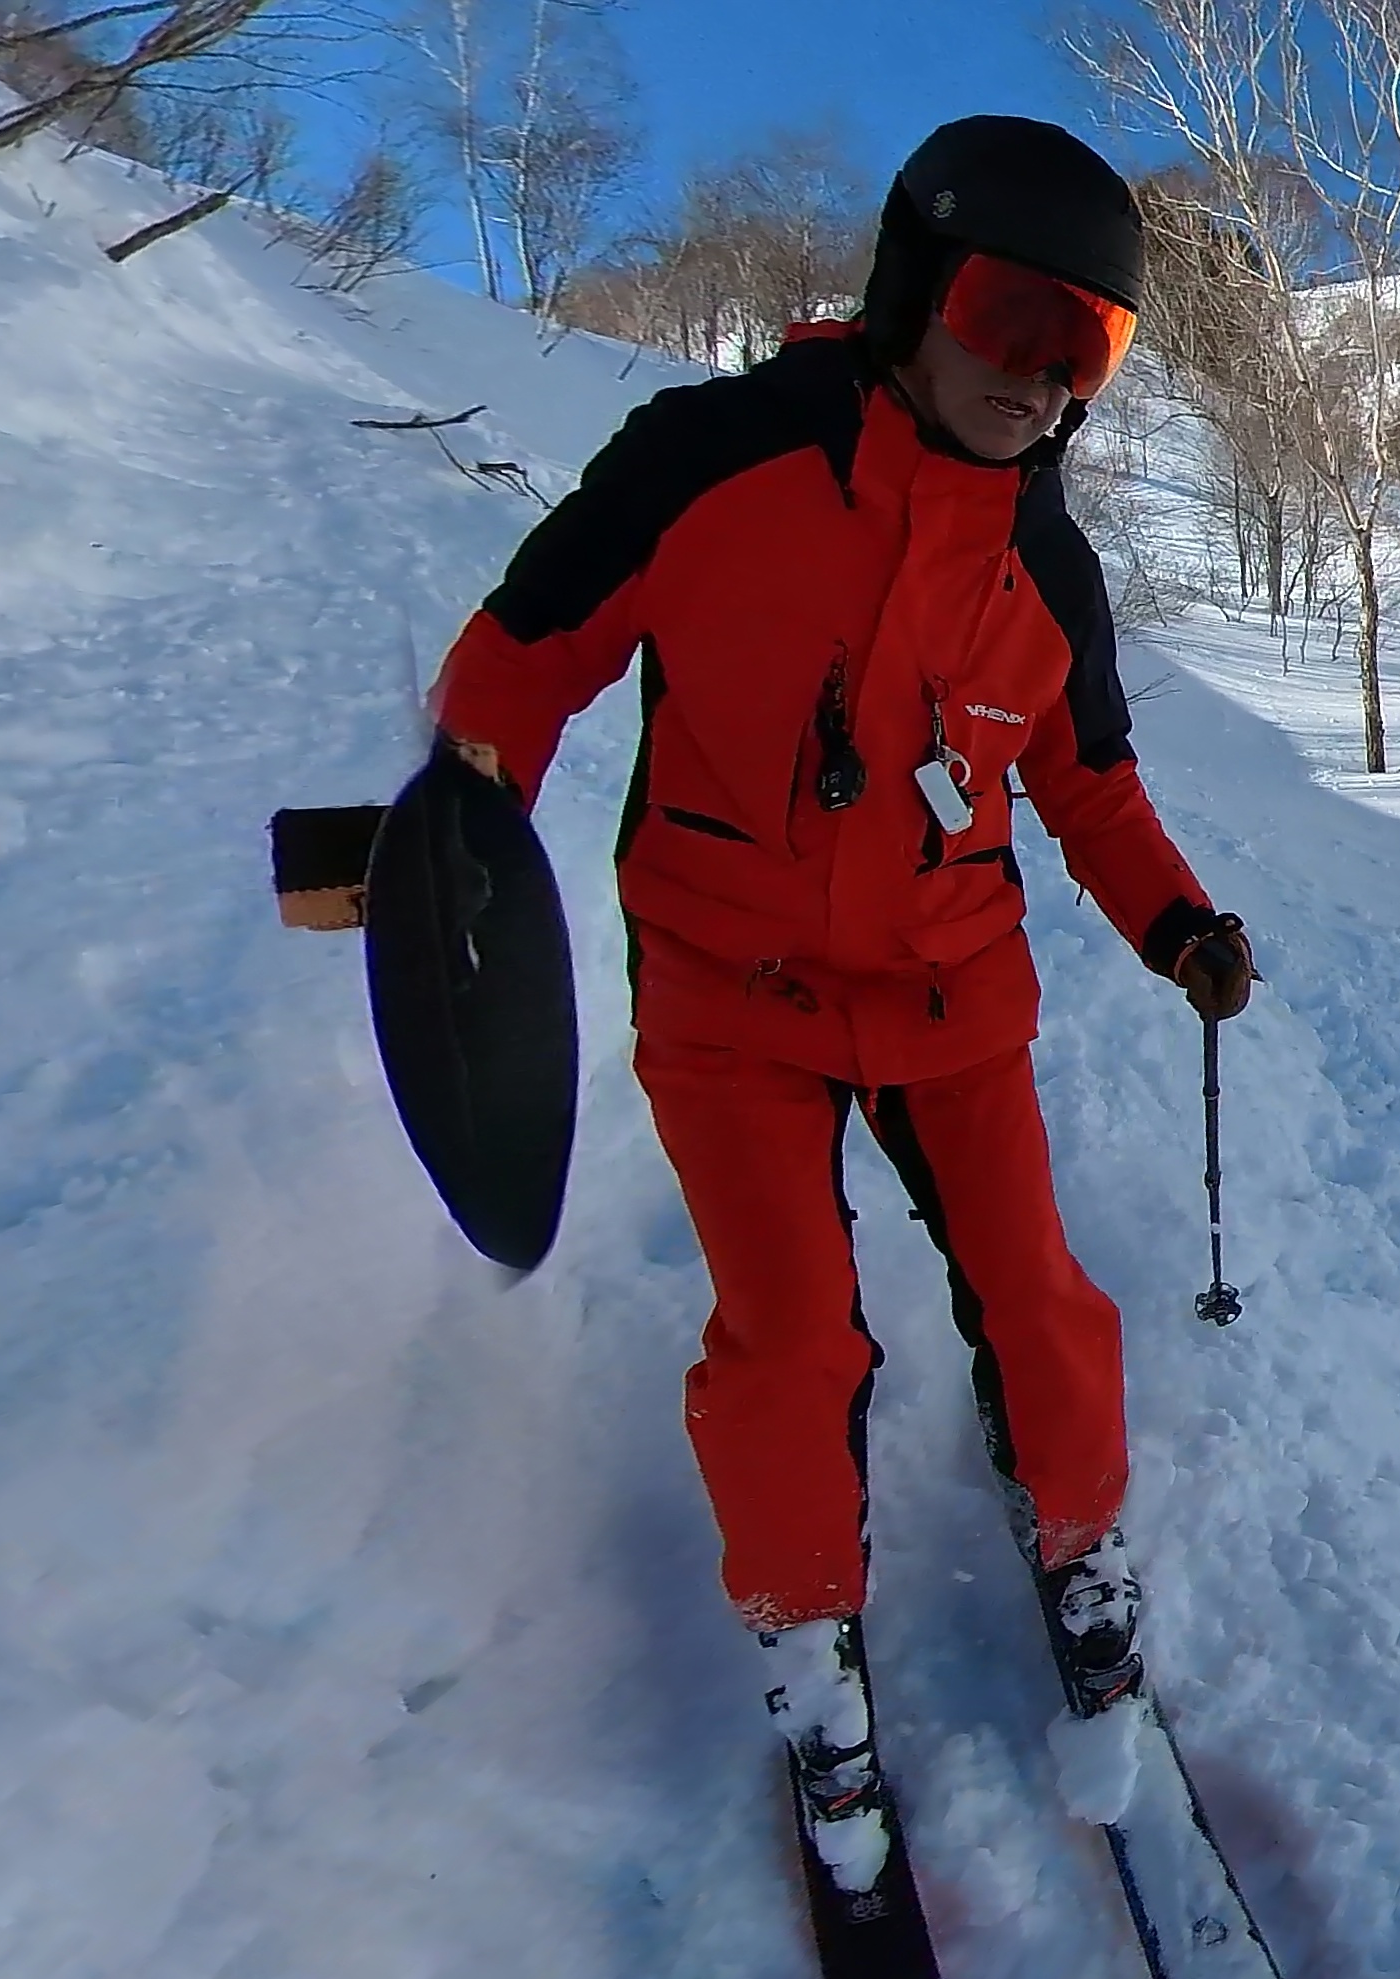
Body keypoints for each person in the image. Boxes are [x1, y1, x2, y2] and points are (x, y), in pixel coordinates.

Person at [425, 116, 1249, 1823]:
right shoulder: (710, 462)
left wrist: (1176, 922)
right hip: (731, 994)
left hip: (953, 993)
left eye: (1087, 345)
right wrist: (460, 841)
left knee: (1039, 1299)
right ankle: (807, 1631)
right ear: (913, 288)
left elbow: (1091, 785)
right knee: (793, 1338)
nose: (1041, 378)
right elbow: (518, 664)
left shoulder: (1046, 562)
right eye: (1013, 317)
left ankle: (1081, 1543)